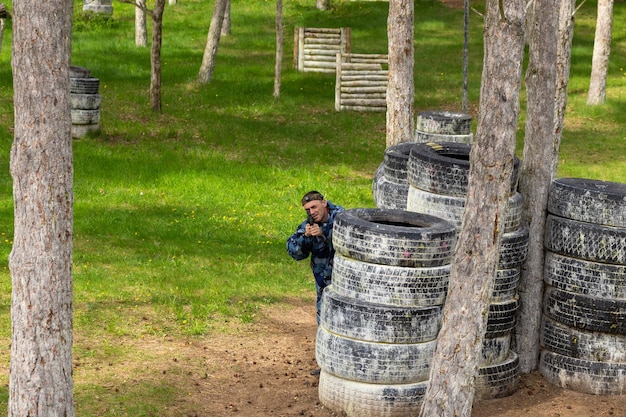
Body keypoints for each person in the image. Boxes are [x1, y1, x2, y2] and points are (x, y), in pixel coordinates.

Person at [286, 191, 344, 326]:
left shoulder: (342, 218)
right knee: (324, 323)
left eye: (314, 207)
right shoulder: (309, 225)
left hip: (345, 281)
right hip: (323, 284)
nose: (311, 212)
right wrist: (305, 237)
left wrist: (324, 234)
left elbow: (352, 242)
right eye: (308, 210)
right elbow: (294, 252)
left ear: (324, 203)